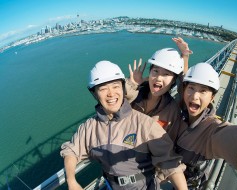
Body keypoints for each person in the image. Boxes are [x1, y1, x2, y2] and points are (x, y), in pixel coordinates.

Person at [60, 60, 188, 190]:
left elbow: (170, 162)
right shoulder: (90, 127)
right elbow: (71, 151)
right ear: (95, 93)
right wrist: (72, 181)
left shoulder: (144, 123)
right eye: (103, 89)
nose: (111, 93)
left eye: (115, 86)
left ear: (122, 87)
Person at [126, 37, 192, 137]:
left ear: (174, 80)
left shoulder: (172, 110)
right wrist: (132, 84)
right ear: (149, 72)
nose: (158, 78)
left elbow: (169, 144)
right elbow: (115, 106)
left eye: (166, 74)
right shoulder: (134, 95)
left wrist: (185, 56)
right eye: (155, 71)